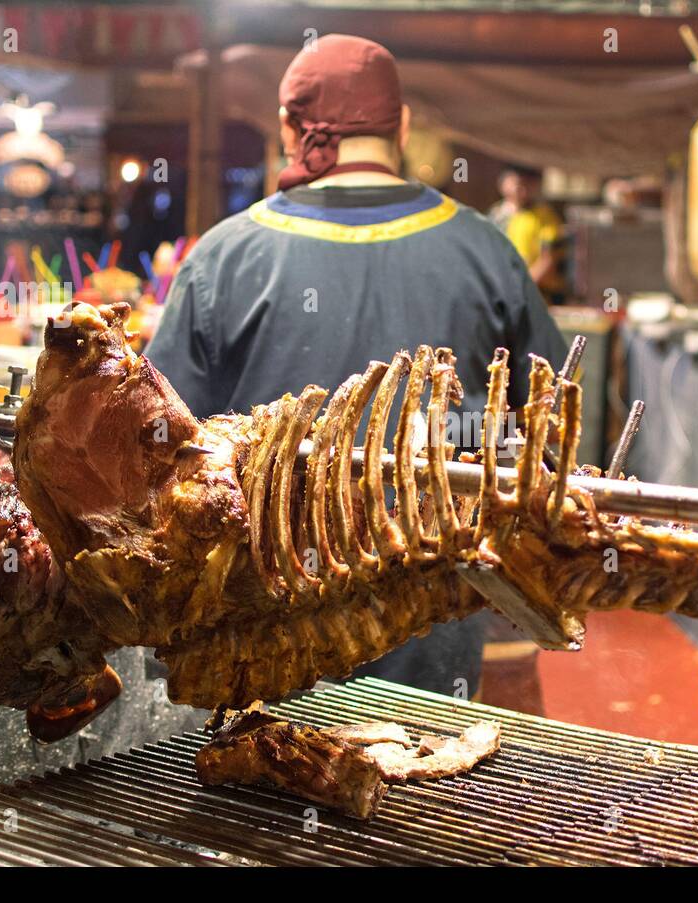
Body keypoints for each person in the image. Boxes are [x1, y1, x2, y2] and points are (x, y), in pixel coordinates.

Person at [145, 34, 568, 700]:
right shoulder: (488, 251)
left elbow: (155, 457)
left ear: (289, 128)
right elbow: (549, 446)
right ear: (400, 126)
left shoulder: (222, 257)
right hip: (431, 642)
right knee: (421, 786)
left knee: (259, 782)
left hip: (259, 645)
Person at [488, 168, 567, 304]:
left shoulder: (545, 215)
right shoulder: (495, 216)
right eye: (516, 183)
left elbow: (549, 258)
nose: (520, 188)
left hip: (540, 294)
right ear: (502, 184)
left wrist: (523, 286)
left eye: (526, 183)